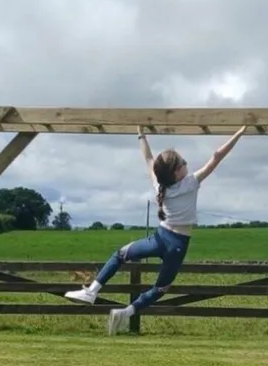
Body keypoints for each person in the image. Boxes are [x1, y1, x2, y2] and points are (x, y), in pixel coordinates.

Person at [65, 124, 250, 334]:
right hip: (177, 244)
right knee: (161, 288)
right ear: (177, 172)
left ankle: (92, 291)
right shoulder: (191, 182)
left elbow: (147, 159)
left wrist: (140, 134)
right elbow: (217, 156)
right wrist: (240, 132)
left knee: (120, 255)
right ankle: (126, 313)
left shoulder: (159, 186)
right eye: (183, 163)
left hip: (160, 237)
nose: (186, 163)